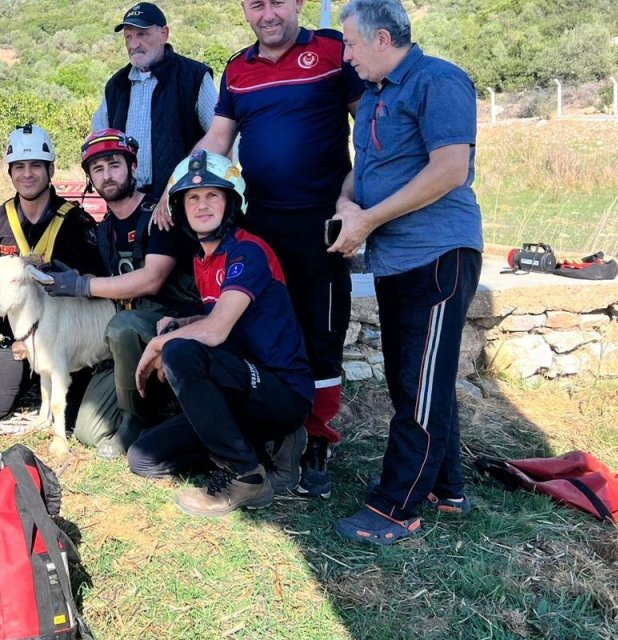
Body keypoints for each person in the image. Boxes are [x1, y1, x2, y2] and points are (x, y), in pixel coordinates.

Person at [160, 0, 365, 500]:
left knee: (322, 334)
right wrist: (174, 183)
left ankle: (316, 440)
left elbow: (373, 134)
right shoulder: (237, 67)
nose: (267, 13)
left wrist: (352, 198)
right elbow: (218, 137)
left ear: (297, 3)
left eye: (277, 1)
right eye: (256, 4)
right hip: (261, 222)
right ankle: (266, 430)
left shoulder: (334, 50)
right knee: (257, 329)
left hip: (322, 223)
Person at [329, 0, 483, 545]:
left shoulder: (438, 81)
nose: (345, 55)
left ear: (383, 40)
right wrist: (350, 205)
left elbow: (449, 170)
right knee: (415, 378)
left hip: (438, 253)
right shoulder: (374, 96)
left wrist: (367, 217)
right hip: (397, 259)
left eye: (349, 43)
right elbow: (365, 170)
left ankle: (397, 505)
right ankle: (448, 488)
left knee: (417, 383)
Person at [127, 150, 314, 516]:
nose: (202, 205)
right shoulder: (202, 260)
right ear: (180, 208)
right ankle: (261, 449)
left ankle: (246, 477)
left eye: (213, 194)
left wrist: (159, 343)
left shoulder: (248, 252)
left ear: (231, 201)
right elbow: (216, 315)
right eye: (192, 198)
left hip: (279, 389)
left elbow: (215, 330)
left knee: (180, 352)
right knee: (143, 458)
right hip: (237, 388)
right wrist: (180, 325)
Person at [42, 128, 202, 459]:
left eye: (114, 164)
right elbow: (110, 282)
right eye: (97, 169)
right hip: (132, 331)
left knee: (123, 326)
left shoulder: (159, 213)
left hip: (174, 321)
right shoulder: (103, 230)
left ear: (132, 166)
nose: (106, 175)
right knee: (89, 429)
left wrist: (83, 286)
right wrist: (72, 278)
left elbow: (152, 280)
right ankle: (159, 406)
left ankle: (136, 420)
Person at [0, 124, 107, 423]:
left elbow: (94, 281)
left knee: (71, 419)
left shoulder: (75, 220)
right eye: (19, 166)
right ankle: (26, 376)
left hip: (66, 336)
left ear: (51, 169)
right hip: (13, 331)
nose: (27, 174)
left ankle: (73, 378)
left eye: (35, 166)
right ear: (9, 172)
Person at [91, 2, 218, 192]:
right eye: (128, 37)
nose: (133, 44)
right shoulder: (116, 85)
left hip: (183, 198)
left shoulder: (193, 76)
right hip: (130, 202)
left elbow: (220, 137)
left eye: (142, 34)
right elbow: (99, 142)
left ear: (164, 34)